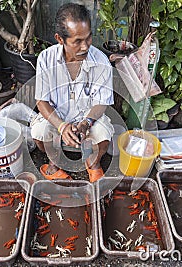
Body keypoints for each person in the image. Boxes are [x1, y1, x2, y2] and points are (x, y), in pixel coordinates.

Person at [30, 3, 114, 182]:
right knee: (39, 132)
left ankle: (93, 164)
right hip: (57, 116)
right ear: (60, 39)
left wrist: (86, 123)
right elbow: (42, 102)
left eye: (88, 38)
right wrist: (62, 126)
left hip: (88, 116)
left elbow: (102, 102)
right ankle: (55, 163)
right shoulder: (46, 59)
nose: (85, 46)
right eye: (77, 41)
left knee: (104, 134)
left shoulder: (101, 61)